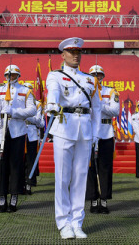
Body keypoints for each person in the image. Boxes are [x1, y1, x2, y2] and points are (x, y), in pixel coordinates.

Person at [45, 37, 100, 239]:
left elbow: (97, 108)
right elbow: (53, 91)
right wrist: (51, 105)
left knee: (80, 179)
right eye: (71, 52)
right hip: (64, 128)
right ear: (63, 55)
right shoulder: (55, 75)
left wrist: (95, 134)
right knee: (62, 177)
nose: (75, 56)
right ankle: (63, 222)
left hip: (84, 130)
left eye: (78, 52)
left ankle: (77, 222)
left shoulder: (89, 79)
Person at [0, 64, 36, 213]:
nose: (11, 77)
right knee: (2, 165)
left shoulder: (25, 90)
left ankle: (14, 197)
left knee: (16, 165)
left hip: (17, 131)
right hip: (2, 132)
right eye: (9, 75)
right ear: (4, 75)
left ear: (18, 76)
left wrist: (15, 112)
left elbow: (32, 110)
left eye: (14, 75)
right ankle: (2, 198)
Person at [86, 65, 119, 214]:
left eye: (99, 75)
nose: (97, 77)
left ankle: (104, 200)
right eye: (94, 75)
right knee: (91, 167)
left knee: (105, 168)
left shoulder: (110, 91)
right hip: (90, 132)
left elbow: (115, 111)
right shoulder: (86, 92)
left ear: (103, 76)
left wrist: (100, 106)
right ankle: (93, 199)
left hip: (106, 132)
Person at [21, 83, 44, 195]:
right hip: (20, 132)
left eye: (30, 89)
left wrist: (25, 115)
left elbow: (38, 120)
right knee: (20, 160)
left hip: (32, 134)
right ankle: (19, 183)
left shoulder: (38, 104)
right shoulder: (19, 102)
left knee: (30, 160)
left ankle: (29, 184)